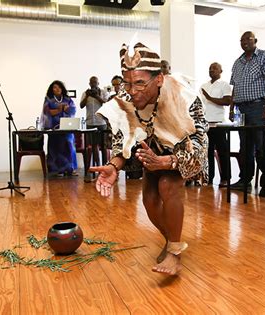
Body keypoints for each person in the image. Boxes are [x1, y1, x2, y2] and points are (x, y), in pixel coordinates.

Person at [90, 42, 208, 276]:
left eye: (140, 83)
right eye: (128, 83)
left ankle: (175, 252)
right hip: (149, 149)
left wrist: (166, 162)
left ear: (159, 79)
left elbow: (199, 151)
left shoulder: (186, 99)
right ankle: (172, 240)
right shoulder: (125, 97)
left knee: (167, 185)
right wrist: (114, 165)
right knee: (150, 200)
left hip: (178, 152)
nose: (133, 91)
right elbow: (122, 137)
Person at [229, 31, 265, 196]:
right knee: (244, 147)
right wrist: (231, 108)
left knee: (261, 147)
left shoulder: (264, 56)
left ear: (255, 40)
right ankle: (245, 180)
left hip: (258, 107)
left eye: (248, 39)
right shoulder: (237, 62)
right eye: (242, 40)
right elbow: (234, 87)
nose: (245, 42)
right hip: (241, 109)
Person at [200, 62, 232, 186]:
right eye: (210, 68)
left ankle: (225, 178)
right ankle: (209, 178)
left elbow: (227, 101)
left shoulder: (224, 85)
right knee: (207, 152)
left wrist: (209, 98)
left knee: (222, 152)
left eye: (214, 68)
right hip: (206, 124)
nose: (211, 70)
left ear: (221, 70)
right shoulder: (204, 86)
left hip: (218, 124)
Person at [40, 80, 77, 176]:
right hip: (54, 129)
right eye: (55, 87)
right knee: (55, 148)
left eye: (59, 87)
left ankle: (70, 169)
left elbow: (73, 110)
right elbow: (46, 112)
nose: (57, 89)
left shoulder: (67, 99)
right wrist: (58, 110)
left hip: (67, 128)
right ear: (51, 89)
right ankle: (57, 170)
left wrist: (67, 109)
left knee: (69, 146)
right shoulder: (49, 99)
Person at [80, 76, 109, 168]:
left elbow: (106, 104)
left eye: (95, 82)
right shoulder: (85, 93)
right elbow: (81, 105)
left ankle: (105, 166)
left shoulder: (103, 92)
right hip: (90, 122)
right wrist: (87, 96)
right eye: (92, 83)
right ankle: (98, 166)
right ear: (89, 84)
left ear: (98, 83)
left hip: (101, 122)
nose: (93, 84)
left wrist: (97, 96)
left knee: (104, 146)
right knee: (94, 145)